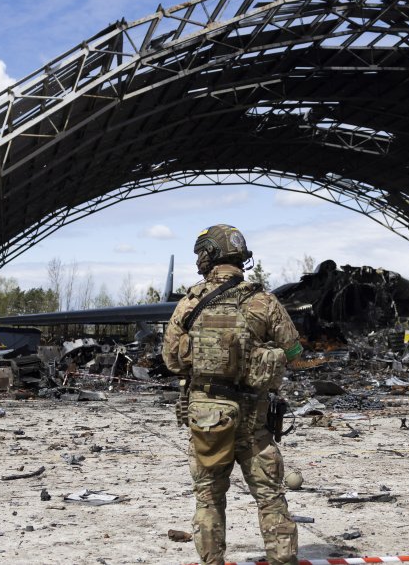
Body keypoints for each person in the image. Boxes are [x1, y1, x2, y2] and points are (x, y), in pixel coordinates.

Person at [163, 224, 303, 565]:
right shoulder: (263, 300)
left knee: (208, 499)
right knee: (270, 497)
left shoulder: (189, 303)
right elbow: (295, 351)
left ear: (207, 256)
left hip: (207, 417)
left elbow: (169, 359)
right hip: (254, 419)